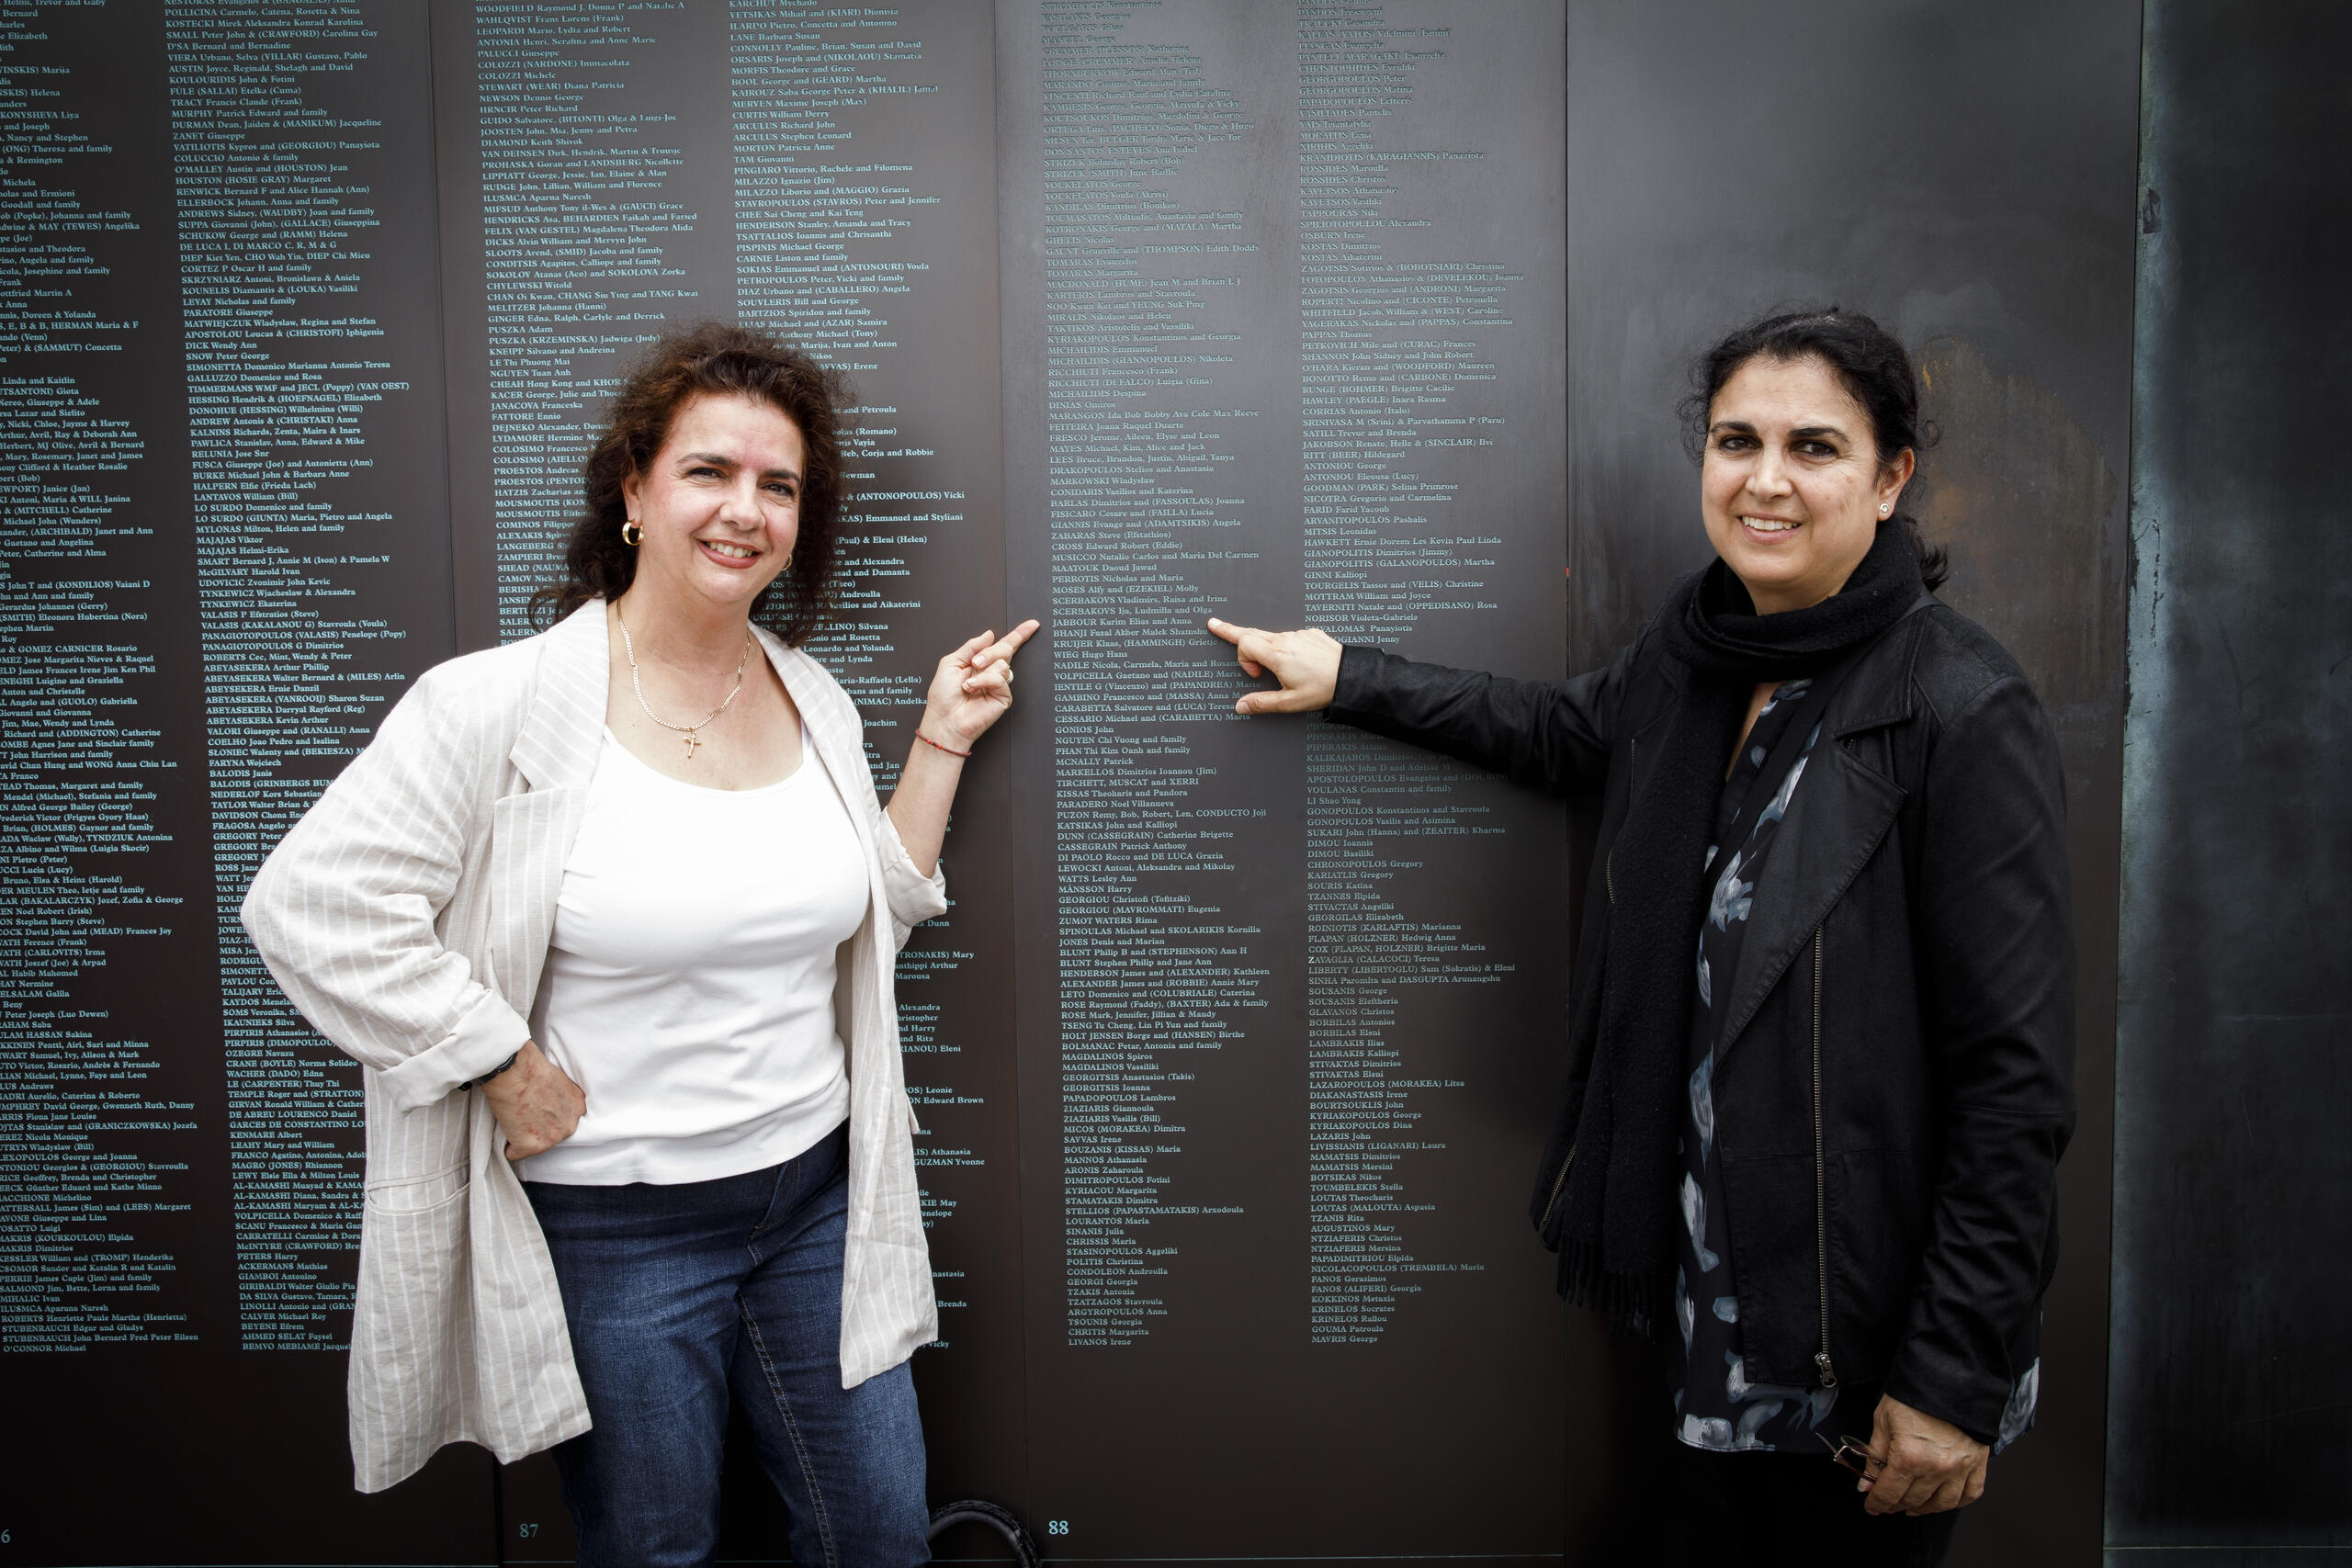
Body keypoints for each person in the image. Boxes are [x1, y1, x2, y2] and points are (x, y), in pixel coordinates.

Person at [1208, 309, 2071, 1564]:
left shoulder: (1960, 711)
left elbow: (2013, 1091)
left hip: (1852, 1346)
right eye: (1737, 440)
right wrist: (1354, 677)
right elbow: (1563, 731)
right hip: (1698, 1311)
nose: (1765, 479)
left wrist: (1950, 1382)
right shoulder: (1698, 652)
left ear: (1891, 480)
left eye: (1815, 447)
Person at [243, 322, 1036, 1567]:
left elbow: (868, 903)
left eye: (778, 486)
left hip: (814, 1202)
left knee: (878, 1539)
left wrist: (936, 743)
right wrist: (494, 1057)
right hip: (617, 1233)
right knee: (655, 1551)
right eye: (708, 472)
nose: (746, 510)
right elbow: (307, 906)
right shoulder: (493, 707)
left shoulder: (808, 695)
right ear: (634, 490)